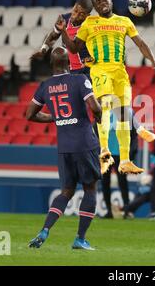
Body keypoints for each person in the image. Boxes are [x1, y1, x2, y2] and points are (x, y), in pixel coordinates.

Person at [59, 0, 155, 175]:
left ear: (111, 1)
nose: (101, 3)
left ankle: (125, 160)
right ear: (95, 8)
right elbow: (73, 48)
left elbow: (140, 43)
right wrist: (64, 31)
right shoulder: (89, 23)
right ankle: (104, 153)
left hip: (120, 72)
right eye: (97, 2)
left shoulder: (124, 21)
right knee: (105, 107)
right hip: (99, 70)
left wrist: (153, 60)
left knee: (122, 116)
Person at [27, 47, 102, 251]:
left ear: (51, 64)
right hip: (85, 144)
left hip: (64, 146)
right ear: (69, 63)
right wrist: (100, 114)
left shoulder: (45, 85)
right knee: (90, 189)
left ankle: (45, 229)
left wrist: (55, 117)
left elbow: (30, 114)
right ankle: (80, 238)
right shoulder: (79, 80)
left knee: (66, 191)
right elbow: (94, 107)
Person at [31, 0, 94, 76]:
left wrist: (63, 30)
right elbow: (53, 36)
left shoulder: (90, 25)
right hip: (68, 69)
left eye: (81, 14)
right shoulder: (64, 19)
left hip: (87, 69)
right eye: (75, 10)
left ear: (87, 15)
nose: (76, 15)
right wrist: (43, 50)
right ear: (74, 6)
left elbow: (74, 49)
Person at [100, 111, 138, 218]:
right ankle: (109, 211)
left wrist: (132, 152)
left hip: (121, 153)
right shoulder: (104, 111)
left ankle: (126, 209)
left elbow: (134, 133)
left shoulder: (127, 112)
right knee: (105, 182)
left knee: (122, 181)